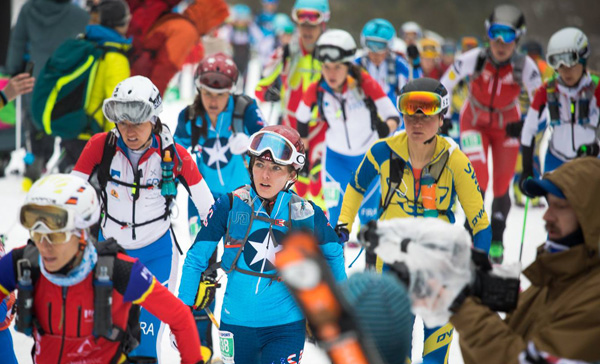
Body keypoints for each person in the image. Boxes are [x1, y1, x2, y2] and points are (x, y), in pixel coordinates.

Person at [338, 77, 491, 364]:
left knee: (434, 358)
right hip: (392, 266)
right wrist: (344, 224)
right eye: (409, 113)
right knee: (394, 356)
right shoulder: (383, 151)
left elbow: (480, 223)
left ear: (442, 117)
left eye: (427, 113)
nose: (416, 122)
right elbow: (356, 186)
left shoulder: (456, 159)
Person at [71, 75, 215, 361]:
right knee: (105, 342)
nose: (129, 131)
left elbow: (210, 211)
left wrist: (205, 267)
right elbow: (68, 198)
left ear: (154, 119)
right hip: (107, 257)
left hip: (157, 256)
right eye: (122, 122)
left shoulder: (175, 156)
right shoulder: (101, 147)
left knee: (144, 346)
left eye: (137, 122)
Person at [177, 125, 346, 364]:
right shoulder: (231, 205)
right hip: (236, 325)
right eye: (260, 165)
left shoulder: (305, 213)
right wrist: (181, 317)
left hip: (285, 327)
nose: (265, 175)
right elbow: (195, 259)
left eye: (276, 168)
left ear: (291, 174)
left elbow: (334, 255)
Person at [0, 173, 204, 364]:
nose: (44, 246)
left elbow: (179, 317)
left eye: (57, 235)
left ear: (82, 233)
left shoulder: (119, 271)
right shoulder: (24, 263)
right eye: (37, 235)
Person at [449, 157, 600, 363]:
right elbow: (508, 340)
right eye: (549, 205)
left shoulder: (593, 299)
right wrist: (482, 293)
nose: (547, 216)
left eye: (561, 207)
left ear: (592, 216)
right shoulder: (559, 275)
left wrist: (464, 308)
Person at [174, 53, 265, 359]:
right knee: (202, 267)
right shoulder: (189, 115)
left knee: (246, 264)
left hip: (242, 199)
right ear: (199, 89)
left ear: (232, 91)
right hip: (202, 201)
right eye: (208, 93)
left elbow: (269, 142)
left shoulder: (245, 109)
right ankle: (202, 342)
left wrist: (250, 140)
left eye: (220, 94)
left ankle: (246, 334)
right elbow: (174, 154)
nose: (213, 101)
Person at [440, 4, 542, 263]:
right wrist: (443, 116)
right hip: (473, 121)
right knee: (478, 178)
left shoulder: (525, 66)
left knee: (501, 183)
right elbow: (444, 84)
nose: (500, 42)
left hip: (508, 126)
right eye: (496, 33)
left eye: (507, 35)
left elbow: (542, 104)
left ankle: (496, 237)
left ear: (518, 37)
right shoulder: (473, 58)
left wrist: (528, 124)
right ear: (487, 34)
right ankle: (471, 230)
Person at [296, 29, 400, 227]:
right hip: (336, 161)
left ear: (348, 65)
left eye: (336, 67)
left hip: (367, 159)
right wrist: (305, 153)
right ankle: (335, 259)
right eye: (326, 67)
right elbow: (301, 120)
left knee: (369, 222)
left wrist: (385, 129)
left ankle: (372, 260)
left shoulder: (365, 84)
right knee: (335, 220)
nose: (330, 74)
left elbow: (393, 116)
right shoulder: (318, 89)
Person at [6, 0, 89, 190]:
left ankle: (36, 163)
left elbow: (18, 41)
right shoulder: (79, 15)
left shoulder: (29, 9)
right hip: (68, 82)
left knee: (36, 124)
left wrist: (14, 70)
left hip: (35, 80)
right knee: (66, 123)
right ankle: (67, 167)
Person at [255, 0, 330, 206]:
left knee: (320, 181)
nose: (307, 31)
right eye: (303, 25)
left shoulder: (330, 53)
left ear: (322, 24)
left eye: (312, 25)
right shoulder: (286, 52)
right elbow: (260, 88)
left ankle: (324, 231)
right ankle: (297, 228)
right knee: (295, 182)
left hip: (322, 128)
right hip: (292, 129)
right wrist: (270, 93)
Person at [520, 28, 599, 194]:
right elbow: (529, 129)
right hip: (556, 161)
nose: (565, 69)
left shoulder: (596, 88)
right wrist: (527, 169)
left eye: (570, 60)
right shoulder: (547, 90)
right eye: (557, 62)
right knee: (559, 215)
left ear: (583, 59)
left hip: (590, 162)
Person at [57, 0, 132, 173]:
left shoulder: (86, 43)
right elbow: (118, 105)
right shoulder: (115, 56)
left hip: (72, 127)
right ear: (119, 23)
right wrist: (117, 146)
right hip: (94, 137)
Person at [130, 0, 229, 95]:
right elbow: (165, 69)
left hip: (135, 74)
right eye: (217, 23)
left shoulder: (179, 22)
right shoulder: (186, 31)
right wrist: (153, 102)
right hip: (139, 83)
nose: (215, 30)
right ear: (210, 17)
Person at [355, 18, 421, 108]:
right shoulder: (359, 64)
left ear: (388, 47)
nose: (375, 54)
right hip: (366, 111)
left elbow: (416, 81)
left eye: (380, 47)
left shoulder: (396, 62)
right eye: (371, 46)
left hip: (392, 112)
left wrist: (415, 63)